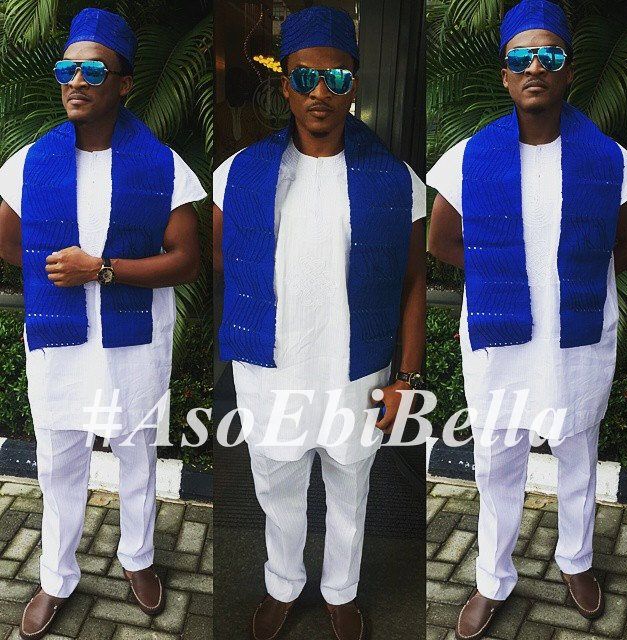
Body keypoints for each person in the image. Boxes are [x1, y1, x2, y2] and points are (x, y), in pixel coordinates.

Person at [427, 1, 627, 638]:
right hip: (502, 341)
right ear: (506, 75)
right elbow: (441, 241)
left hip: (576, 336)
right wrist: (509, 274)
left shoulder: (612, 160)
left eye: (549, 55)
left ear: (568, 70)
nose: (535, 68)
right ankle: (492, 578)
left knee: (577, 450)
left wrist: (571, 278)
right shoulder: (469, 157)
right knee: (497, 458)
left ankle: (576, 560)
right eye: (521, 57)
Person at [213, 6, 426, 639]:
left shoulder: (398, 181)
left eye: (336, 78)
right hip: (272, 369)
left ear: (354, 85)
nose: (320, 93)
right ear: (286, 85)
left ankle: (340, 592)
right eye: (306, 77)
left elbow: (414, 282)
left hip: (354, 372)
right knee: (275, 487)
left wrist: (406, 378)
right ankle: (283, 584)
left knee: (350, 489)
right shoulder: (237, 175)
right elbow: (227, 262)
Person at [0, 8, 206, 640]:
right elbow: (7, 241)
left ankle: (137, 557)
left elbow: (187, 259)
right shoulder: (30, 162)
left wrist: (101, 271)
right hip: (60, 344)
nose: (76, 81)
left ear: (124, 84)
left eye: (93, 71)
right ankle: (56, 576)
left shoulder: (162, 165)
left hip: (132, 345)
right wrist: (52, 270)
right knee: (59, 459)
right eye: (68, 69)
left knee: (135, 453)